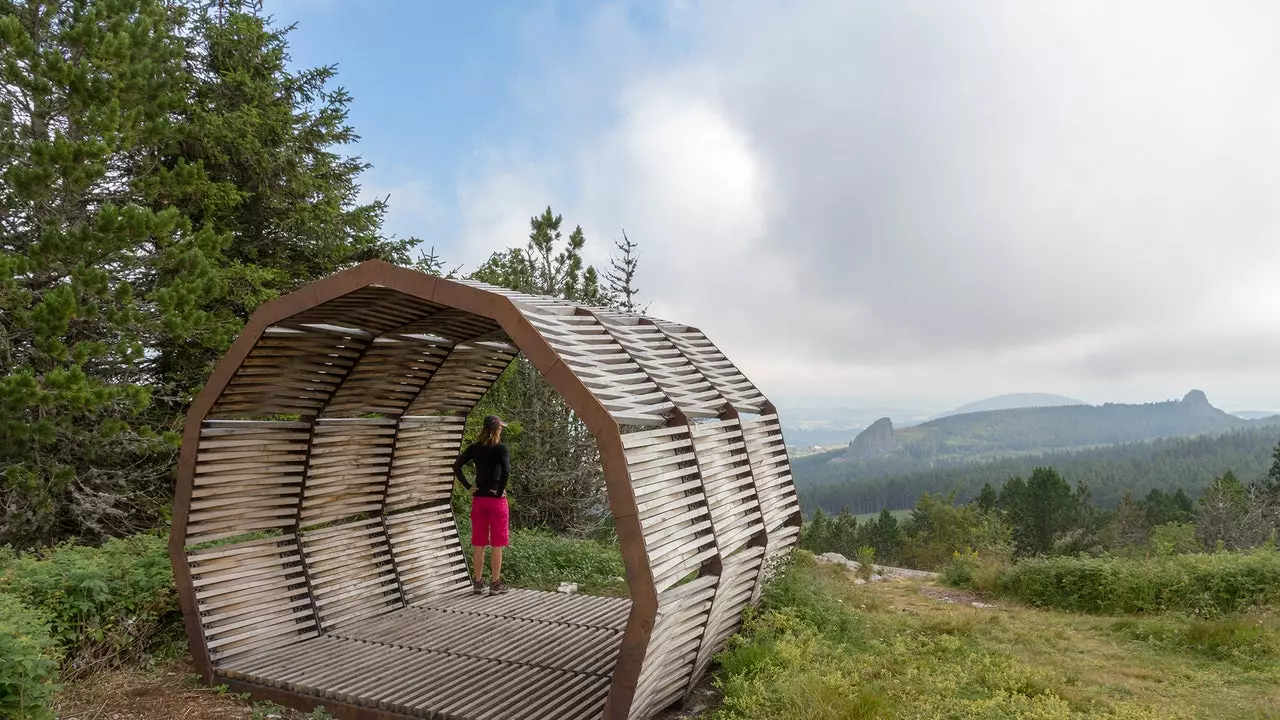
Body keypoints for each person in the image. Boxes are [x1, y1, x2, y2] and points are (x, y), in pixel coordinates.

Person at [452, 414, 511, 595]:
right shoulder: (501, 448)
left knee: (479, 543)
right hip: (496, 501)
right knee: (497, 544)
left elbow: (457, 466)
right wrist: (500, 490)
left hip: (479, 500)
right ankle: (495, 583)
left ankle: (477, 583)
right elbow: (506, 471)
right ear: (498, 429)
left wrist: (469, 486)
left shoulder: (476, 447)